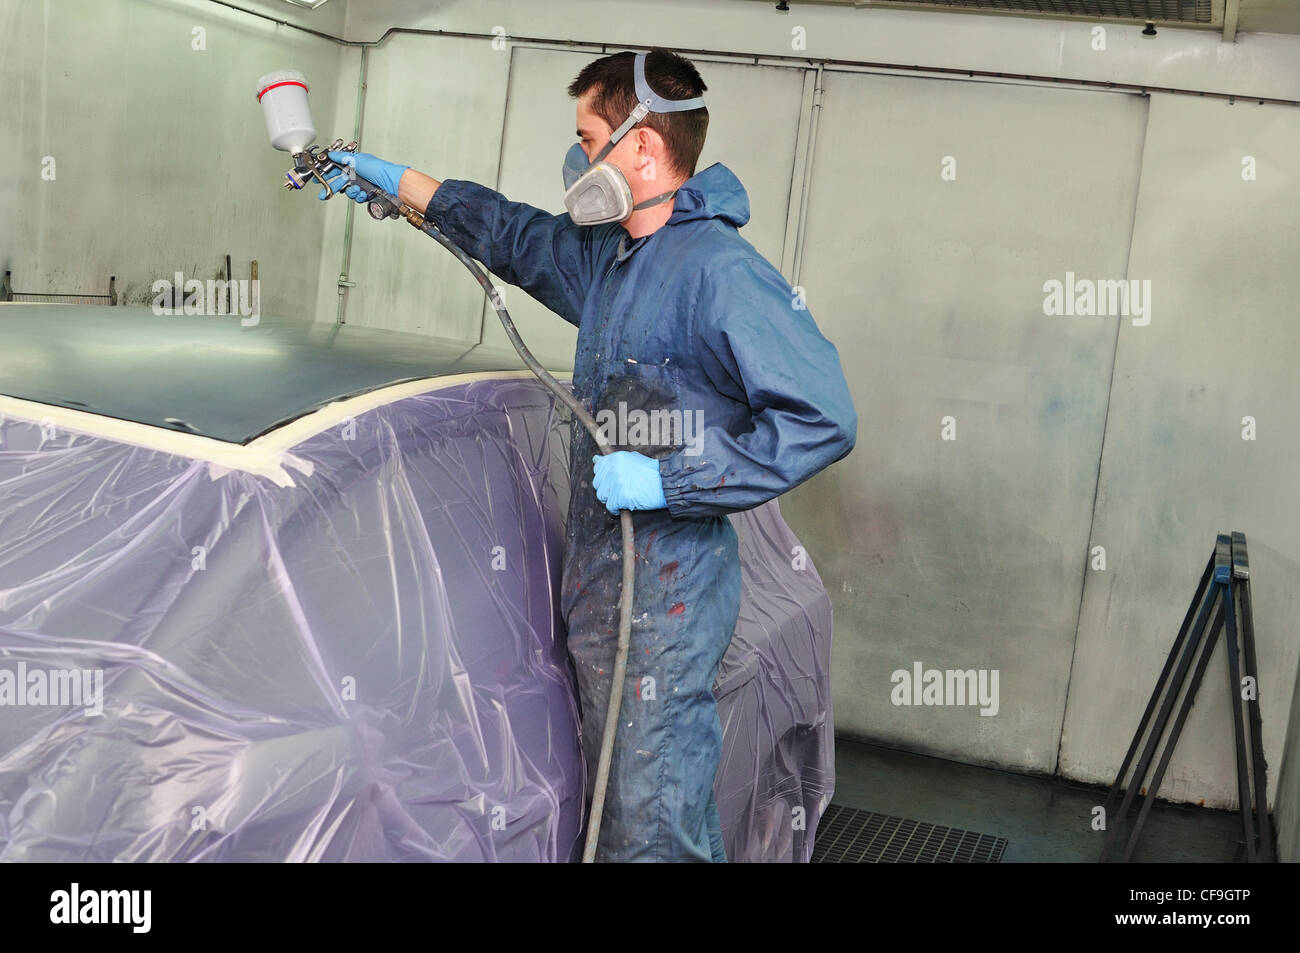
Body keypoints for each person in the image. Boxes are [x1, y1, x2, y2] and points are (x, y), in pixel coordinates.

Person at [317, 48, 857, 862]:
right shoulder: (610, 261)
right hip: (607, 589)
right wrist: (393, 180)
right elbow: (509, 233)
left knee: (648, 826)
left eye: (588, 135)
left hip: (668, 598)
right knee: (652, 810)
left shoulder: (721, 273)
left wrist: (667, 479)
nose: (577, 159)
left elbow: (824, 418)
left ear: (642, 146)